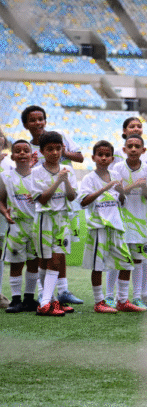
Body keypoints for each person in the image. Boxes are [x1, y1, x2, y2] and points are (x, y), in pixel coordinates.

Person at [22, 105, 85, 306]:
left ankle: (60, 292)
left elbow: (80, 157)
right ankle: (44, 296)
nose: (38, 123)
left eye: (41, 119)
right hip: (41, 212)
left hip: (63, 211)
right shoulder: (28, 152)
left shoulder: (59, 138)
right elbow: (24, 178)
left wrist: (64, 153)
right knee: (44, 255)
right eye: (33, 120)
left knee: (58, 254)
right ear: (26, 125)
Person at [79, 140, 145, 314]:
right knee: (98, 265)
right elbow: (83, 201)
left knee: (126, 262)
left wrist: (121, 191)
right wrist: (105, 188)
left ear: (112, 158)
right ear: (93, 157)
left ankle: (122, 300)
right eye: (100, 155)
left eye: (107, 155)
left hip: (115, 227)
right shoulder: (89, 178)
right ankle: (98, 301)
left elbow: (121, 201)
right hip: (98, 227)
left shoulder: (115, 175)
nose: (103, 158)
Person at [30, 131, 77, 316]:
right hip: (45, 219)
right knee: (46, 260)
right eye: (50, 149)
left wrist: (66, 182)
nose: (55, 152)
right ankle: (48, 299)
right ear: (42, 151)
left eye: (58, 148)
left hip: (62, 219)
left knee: (56, 259)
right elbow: (41, 200)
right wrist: (58, 181)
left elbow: (72, 196)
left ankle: (46, 302)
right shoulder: (35, 173)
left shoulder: (68, 170)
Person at [110, 134, 147, 310]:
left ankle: (136, 296)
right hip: (122, 221)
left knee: (137, 260)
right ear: (124, 150)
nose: (134, 149)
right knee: (119, 259)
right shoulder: (118, 168)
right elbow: (118, 195)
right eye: (130, 146)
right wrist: (133, 186)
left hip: (140, 221)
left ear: (143, 150)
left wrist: (143, 186)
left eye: (138, 146)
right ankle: (112, 296)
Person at [1, 140, 40, 313]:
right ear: (12, 156)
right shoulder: (6, 176)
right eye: (18, 151)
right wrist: (5, 212)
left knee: (34, 262)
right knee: (16, 263)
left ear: (32, 155)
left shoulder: (38, 176)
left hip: (36, 225)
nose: (22, 153)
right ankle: (15, 300)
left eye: (26, 150)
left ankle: (29, 298)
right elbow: (1, 201)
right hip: (16, 224)